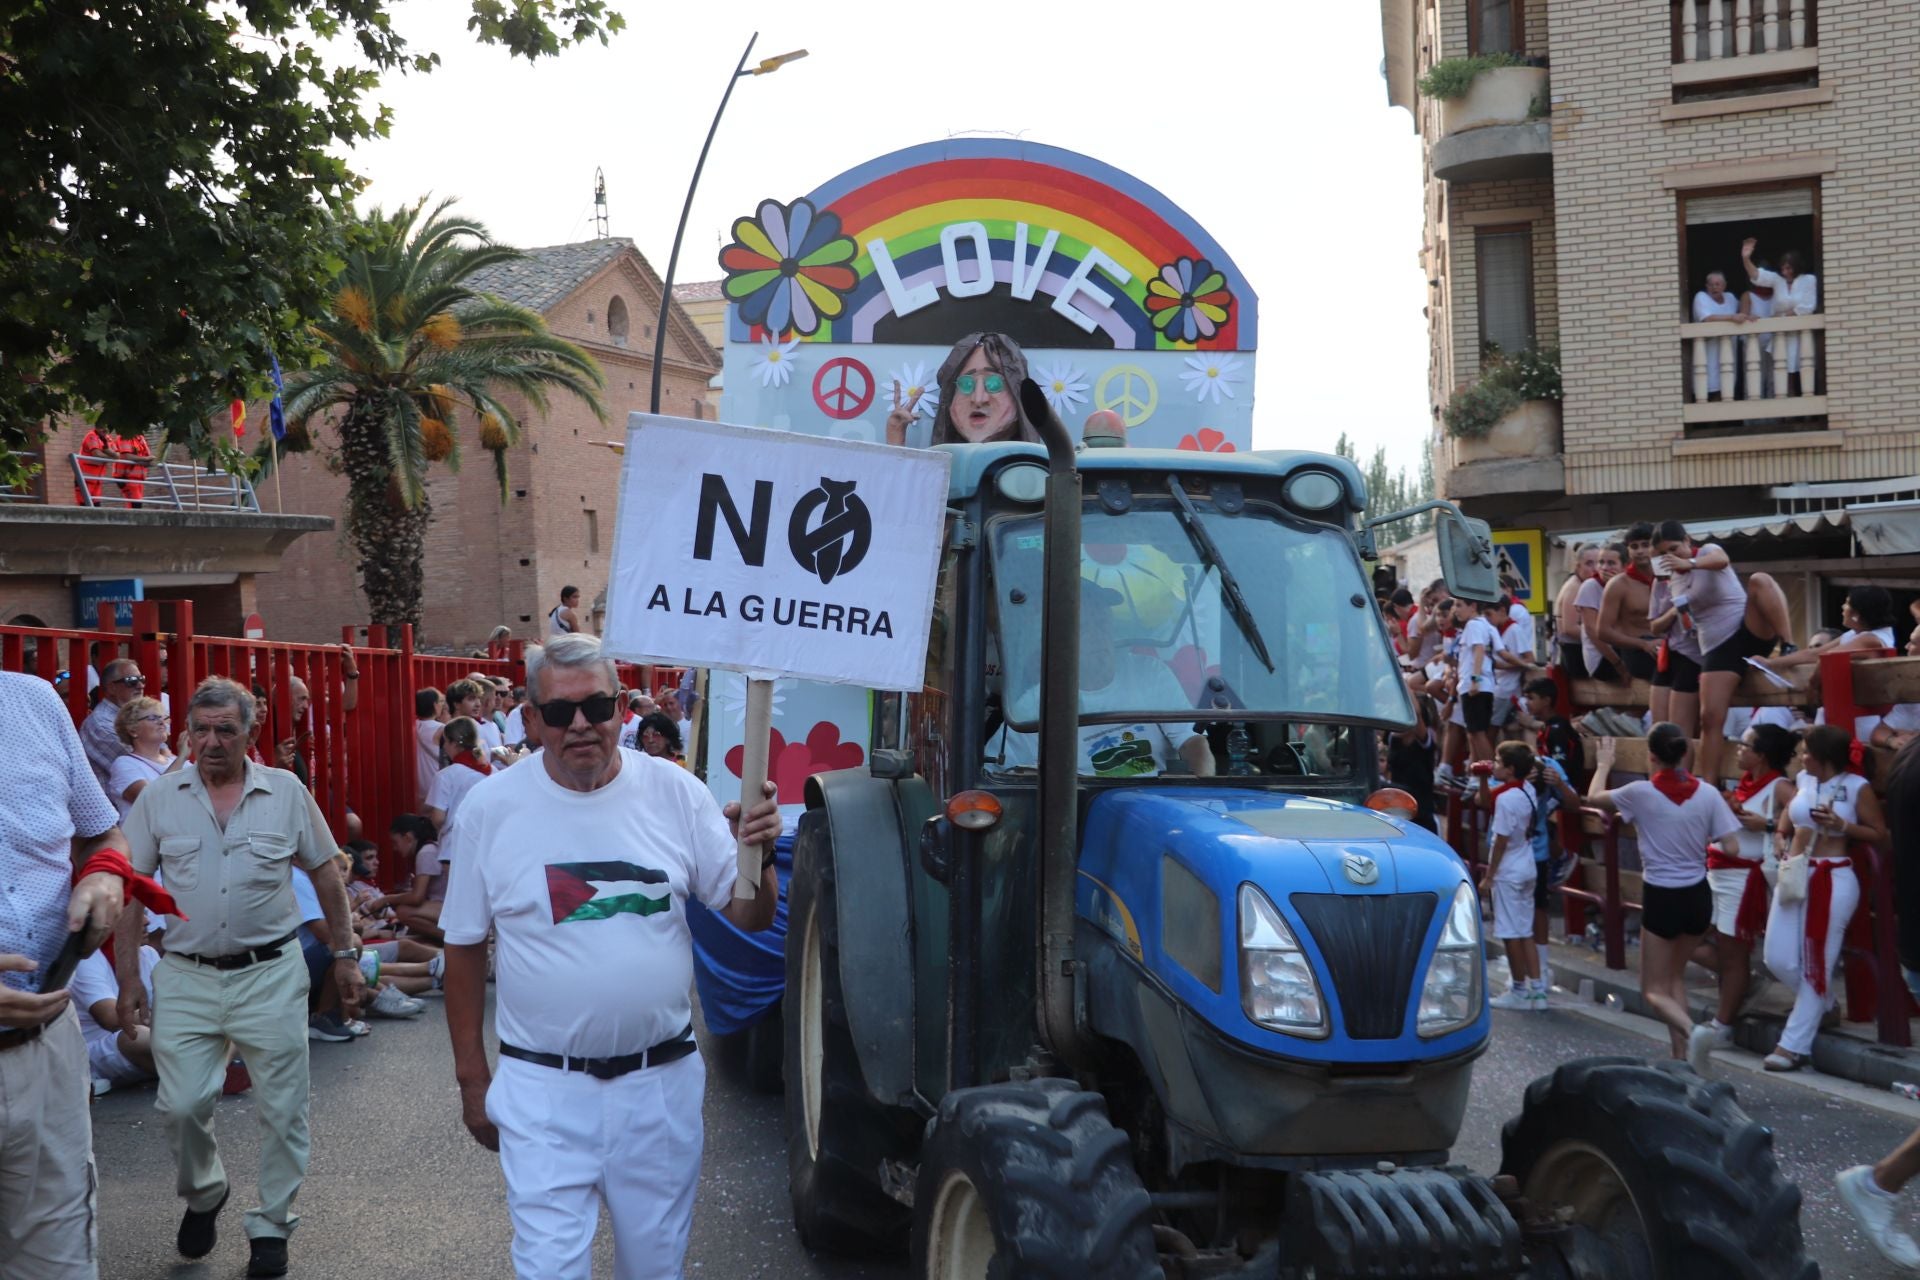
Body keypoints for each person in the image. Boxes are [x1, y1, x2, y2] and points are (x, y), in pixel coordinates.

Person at [439, 634, 783, 1280]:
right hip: (543, 1090)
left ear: (622, 708)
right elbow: (462, 947)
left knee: (653, 1271)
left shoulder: (677, 794)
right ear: (532, 718)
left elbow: (749, 915)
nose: (581, 727)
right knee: (548, 1270)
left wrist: (755, 858)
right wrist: (473, 1080)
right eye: (561, 713)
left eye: (596, 707)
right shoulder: (491, 808)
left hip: (659, 1090)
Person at [115, 676, 365, 1278]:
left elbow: (328, 876)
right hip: (186, 976)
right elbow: (132, 894)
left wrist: (347, 953)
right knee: (180, 1105)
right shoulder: (160, 798)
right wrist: (128, 979)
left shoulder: (285, 792)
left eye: (226, 729)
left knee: (284, 1107)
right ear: (187, 734)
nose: (212, 741)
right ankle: (204, 1192)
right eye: (201, 729)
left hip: (270, 974)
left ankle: (272, 1226)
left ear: (250, 733)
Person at [0, 670, 151, 1278]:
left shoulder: (32, 700)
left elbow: (100, 832)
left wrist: (106, 873)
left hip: (48, 1053)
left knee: (57, 1263)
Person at [1586, 723, 1744, 1060]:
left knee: (1653, 988)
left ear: (1652, 756)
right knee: (1673, 978)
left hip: (1661, 895)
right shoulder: (1708, 793)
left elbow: (1593, 798)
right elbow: (1731, 846)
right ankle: (1682, 1059)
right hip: (1699, 894)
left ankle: (1693, 1032)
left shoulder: (1640, 792)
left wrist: (1603, 764)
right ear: (1684, 754)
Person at [1761, 725, 1887, 1073]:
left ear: (1824, 758)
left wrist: (1842, 826)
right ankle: (1825, 1003)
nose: (1802, 757)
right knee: (1777, 956)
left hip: (1834, 874)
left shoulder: (1856, 787)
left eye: (1807, 753)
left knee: (1818, 962)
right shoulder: (1804, 779)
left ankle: (1791, 1046)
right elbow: (1789, 812)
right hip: (1798, 871)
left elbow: (1879, 833)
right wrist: (1780, 835)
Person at [1685, 722, 1799, 1073]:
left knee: (1733, 954)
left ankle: (1723, 1025)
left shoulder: (1780, 785)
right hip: (1716, 871)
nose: (1738, 749)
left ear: (1761, 754)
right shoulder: (1744, 784)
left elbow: (1803, 815)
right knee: (1686, 937)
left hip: (1741, 876)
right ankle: (1742, 989)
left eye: (1745, 745)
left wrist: (1766, 826)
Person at [1646, 520, 1793, 782]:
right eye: (1662, 554)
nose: (1670, 556)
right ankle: (1710, 784)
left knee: (1760, 580)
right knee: (1710, 717)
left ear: (1688, 542)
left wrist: (1688, 562)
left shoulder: (1706, 552)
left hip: (1746, 627)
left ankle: (1789, 643)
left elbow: (1721, 559)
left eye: (1674, 548)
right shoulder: (1672, 582)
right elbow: (1674, 621)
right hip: (1716, 646)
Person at [884, 331, 1050, 447]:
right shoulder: (944, 474)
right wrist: (895, 436)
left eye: (993, 384)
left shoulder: (1037, 475)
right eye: (966, 384)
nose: (978, 399)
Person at [1481, 741, 1545, 1011]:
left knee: (1510, 932)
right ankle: (1538, 991)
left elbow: (1501, 841)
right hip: (1527, 863)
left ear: (1509, 769)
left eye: (1497, 762)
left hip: (1508, 869)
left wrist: (1489, 876)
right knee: (1525, 930)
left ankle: (1518, 989)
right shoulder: (1528, 790)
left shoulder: (1507, 799)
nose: (1493, 765)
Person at [70, 942, 160, 1091]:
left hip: (142, 1039)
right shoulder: (88, 958)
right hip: (92, 1052)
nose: (147, 922)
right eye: (136, 919)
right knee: (138, 1037)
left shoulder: (148, 953)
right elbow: (111, 1018)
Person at [1597, 523, 1664, 714]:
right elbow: (1603, 631)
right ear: (1628, 550)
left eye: (1645, 544)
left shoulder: (1668, 576)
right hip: (1638, 652)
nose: (1641, 551)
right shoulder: (1619, 584)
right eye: (1634, 547)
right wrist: (1643, 645)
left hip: (1669, 645)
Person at [1741, 239, 1819, 392]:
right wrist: (1746, 258)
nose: (1785, 272)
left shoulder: (1809, 280)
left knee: (1804, 374)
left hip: (1800, 335)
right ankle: (1787, 416)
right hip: (1782, 337)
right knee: (1783, 376)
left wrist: (1782, 315)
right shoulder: (1778, 280)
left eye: (1789, 268)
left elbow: (1808, 307)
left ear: (1797, 267)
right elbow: (1757, 276)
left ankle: (1806, 416)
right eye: (1783, 268)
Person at [106, 694, 186, 819]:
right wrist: (182, 758)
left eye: (164, 718)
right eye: (153, 718)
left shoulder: (175, 761)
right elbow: (152, 801)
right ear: (133, 730)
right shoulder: (124, 764)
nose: (161, 722)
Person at [81, 656, 148, 786]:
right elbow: (144, 764)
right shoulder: (100, 725)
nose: (140, 686)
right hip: (114, 804)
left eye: (142, 679)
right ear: (112, 688)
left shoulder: (135, 716)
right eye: (132, 681)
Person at [425, 717, 492, 832]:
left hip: (453, 843)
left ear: (455, 744)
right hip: (482, 840)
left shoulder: (445, 776)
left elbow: (438, 818)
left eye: (445, 741)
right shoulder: (491, 771)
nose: (444, 746)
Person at [1386, 693, 1441, 832]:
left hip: (1422, 813)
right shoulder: (1394, 740)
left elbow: (1415, 712)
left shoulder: (1426, 743)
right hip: (1398, 811)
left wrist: (1403, 680)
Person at [1455, 596, 1499, 764]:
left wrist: (1475, 679)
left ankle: (1492, 772)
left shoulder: (1473, 625)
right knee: (1474, 732)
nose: (1456, 610)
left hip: (1475, 686)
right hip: (1483, 685)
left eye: (1459, 605)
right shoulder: (1485, 626)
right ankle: (1479, 773)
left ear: (1472, 606)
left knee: (1477, 732)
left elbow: (1479, 650)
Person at [1691, 271, 1748, 398]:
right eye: (1711, 285)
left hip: (1728, 353)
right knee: (1710, 390)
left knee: (1727, 389)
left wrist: (1747, 312)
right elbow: (1707, 318)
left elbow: (1742, 309)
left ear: (1724, 285)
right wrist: (1732, 317)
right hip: (1708, 354)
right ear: (1706, 286)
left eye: (1718, 284)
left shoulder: (1730, 298)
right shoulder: (1701, 297)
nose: (1714, 287)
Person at [1576, 544, 1625, 680]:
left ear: (1624, 566)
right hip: (1604, 658)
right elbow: (1592, 630)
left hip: (1625, 649)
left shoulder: (1627, 585)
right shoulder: (1590, 586)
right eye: (1601, 562)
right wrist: (1618, 665)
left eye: (1611, 563)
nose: (1604, 568)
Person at [1555, 545, 1600, 677]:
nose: (1595, 568)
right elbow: (1569, 628)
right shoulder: (1575, 587)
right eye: (1589, 563)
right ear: (1578, 566)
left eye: (1599, 562)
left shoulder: (1586, 585)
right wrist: (1602, 640)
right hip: (1575, 654)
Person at [413, 686, 447, 808]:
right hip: (434, 782)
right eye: (441, 702)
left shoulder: (412, 726)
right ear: (434, 705)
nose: (443, 706)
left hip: (415, 784)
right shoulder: (441, 729)